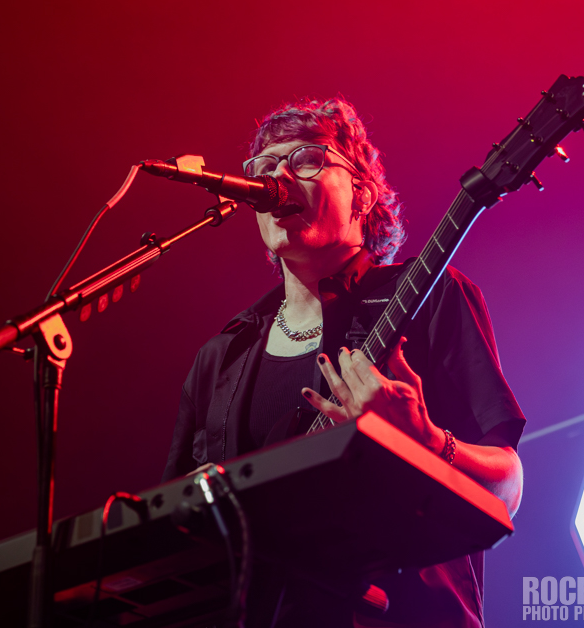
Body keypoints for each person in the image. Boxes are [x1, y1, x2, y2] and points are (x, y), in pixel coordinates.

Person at [162, 97, 525, 628]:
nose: (279, 177)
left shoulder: (429, 296)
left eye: (307, 159)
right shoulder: (221, 357)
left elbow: (507, 490)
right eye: (265, 167)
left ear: (363, 193)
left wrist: (425, 440)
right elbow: (175, 539)